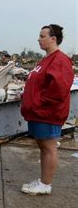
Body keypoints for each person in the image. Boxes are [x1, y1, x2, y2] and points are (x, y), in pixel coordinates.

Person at [20, 24, 73, 195]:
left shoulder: (60, 60)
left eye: (42, 36)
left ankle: (46, 184)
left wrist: (36, 102)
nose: (39, 39)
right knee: (43, 146)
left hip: (47, 114)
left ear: (53, 39)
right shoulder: (45, 60)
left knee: (49, 146)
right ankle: (43, 181)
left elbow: (58, 91)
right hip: (37, 112)